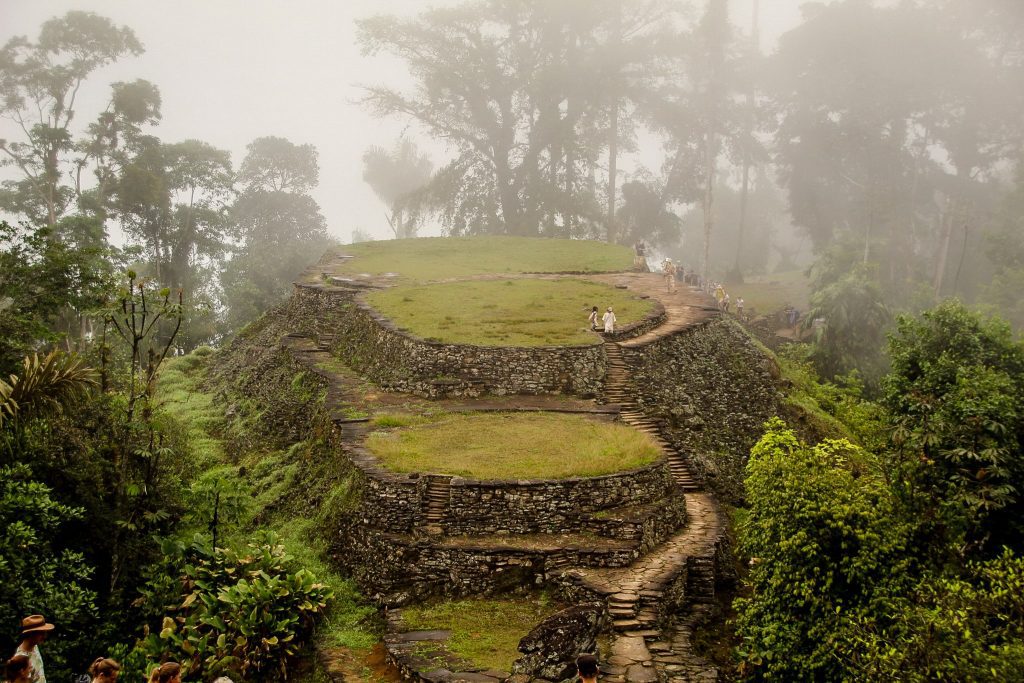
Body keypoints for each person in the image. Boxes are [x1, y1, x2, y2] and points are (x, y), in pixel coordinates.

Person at [13, 616, 53, 683]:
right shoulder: (21, 659)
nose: (44, 636)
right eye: (41, 633)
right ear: (30, 634)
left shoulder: (34, 646)